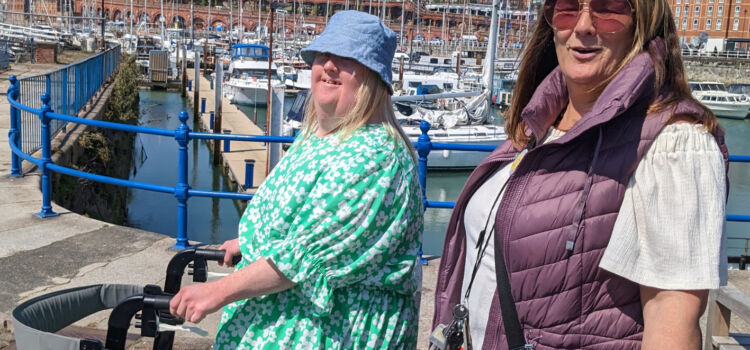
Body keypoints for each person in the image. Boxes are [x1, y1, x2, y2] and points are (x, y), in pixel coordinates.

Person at [433, 0, 729, 349]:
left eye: (609, 8)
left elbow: (671, 328)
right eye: (568, 7)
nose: (584, 25)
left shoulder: (674, 145)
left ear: (643, 21)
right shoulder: (540, 124)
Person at [170, 11, 423, 349]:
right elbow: (302, 223)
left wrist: (216, 292)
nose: (330, 65)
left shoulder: (377, 157)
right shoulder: (324, 136)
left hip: (335, 331)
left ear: (375, 78)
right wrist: (249, 243)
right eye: (323, 55)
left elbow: (304, 258)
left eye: (348, 58)